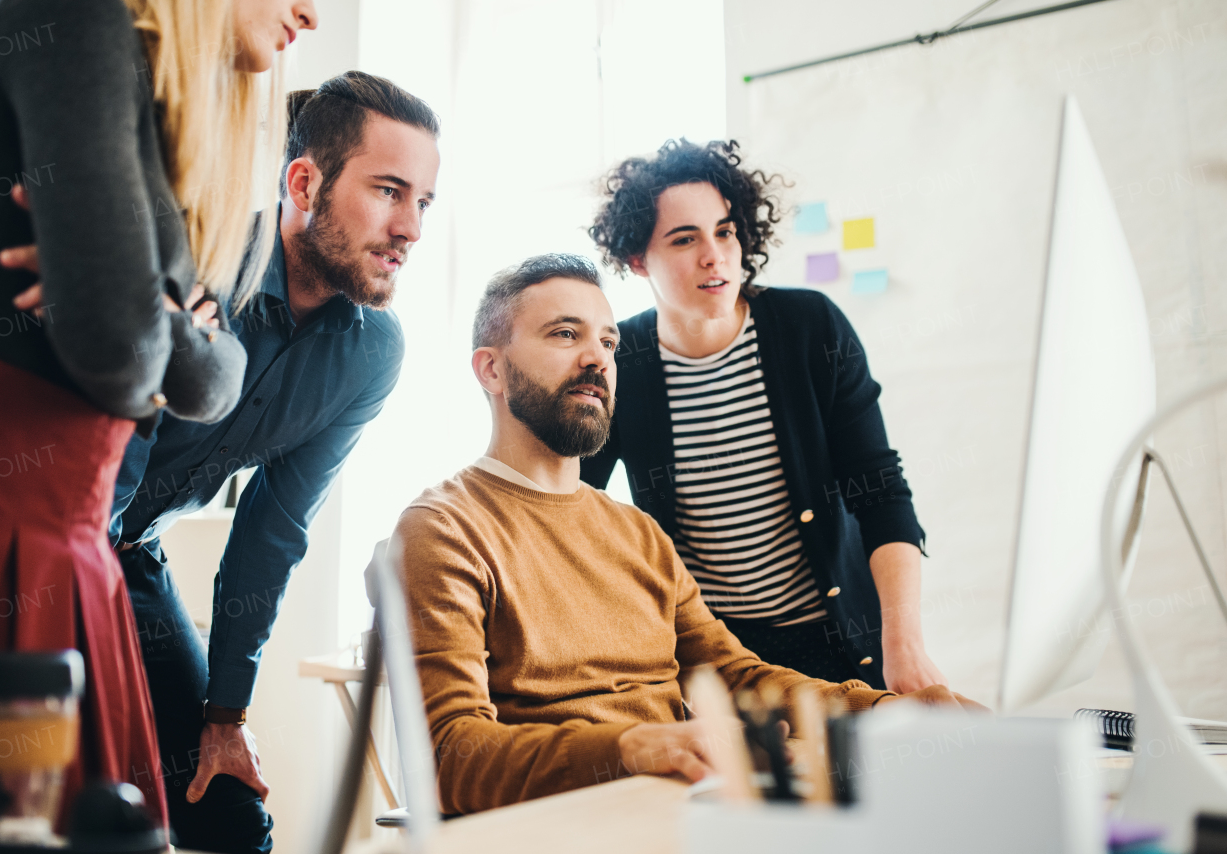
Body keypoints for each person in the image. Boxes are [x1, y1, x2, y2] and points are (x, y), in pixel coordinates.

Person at [390, 254, 981, 816]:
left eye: (608, 341)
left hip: (688, 805)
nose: (595, 358)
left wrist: (887, 710)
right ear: (491, 368)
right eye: (565, 334)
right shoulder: (443, 530)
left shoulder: (636, 533)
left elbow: (738, 676)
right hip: (573, 825)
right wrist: (636, 747)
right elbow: (446, 759)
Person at [0, 0, 315, 831]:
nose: (312, 13)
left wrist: (143, 309)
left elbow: (216, 376)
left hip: (65, 558)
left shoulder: (144, 99)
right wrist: (149, 314)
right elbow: (122, 353)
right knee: (11, 826)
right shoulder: (71, 15)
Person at [108, 72, 440, 853]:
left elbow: (273, 528)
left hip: (131, 553)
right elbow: (113, 461)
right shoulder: (197, 257)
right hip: (44, 537)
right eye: (390, 191)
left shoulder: (372, 355)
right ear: (304, 182)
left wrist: (227, 715)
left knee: (228, 812)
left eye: (424, 202)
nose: (412, 228)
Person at [582, 140, 943, 694]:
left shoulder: (810, 327)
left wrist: (904, 645)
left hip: (843, 643)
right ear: (637, 259)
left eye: (725, 231)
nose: (715, 255)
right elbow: (572, 508)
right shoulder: (619, 359)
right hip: (713, 660)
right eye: (685, 239)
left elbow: (881, 493)